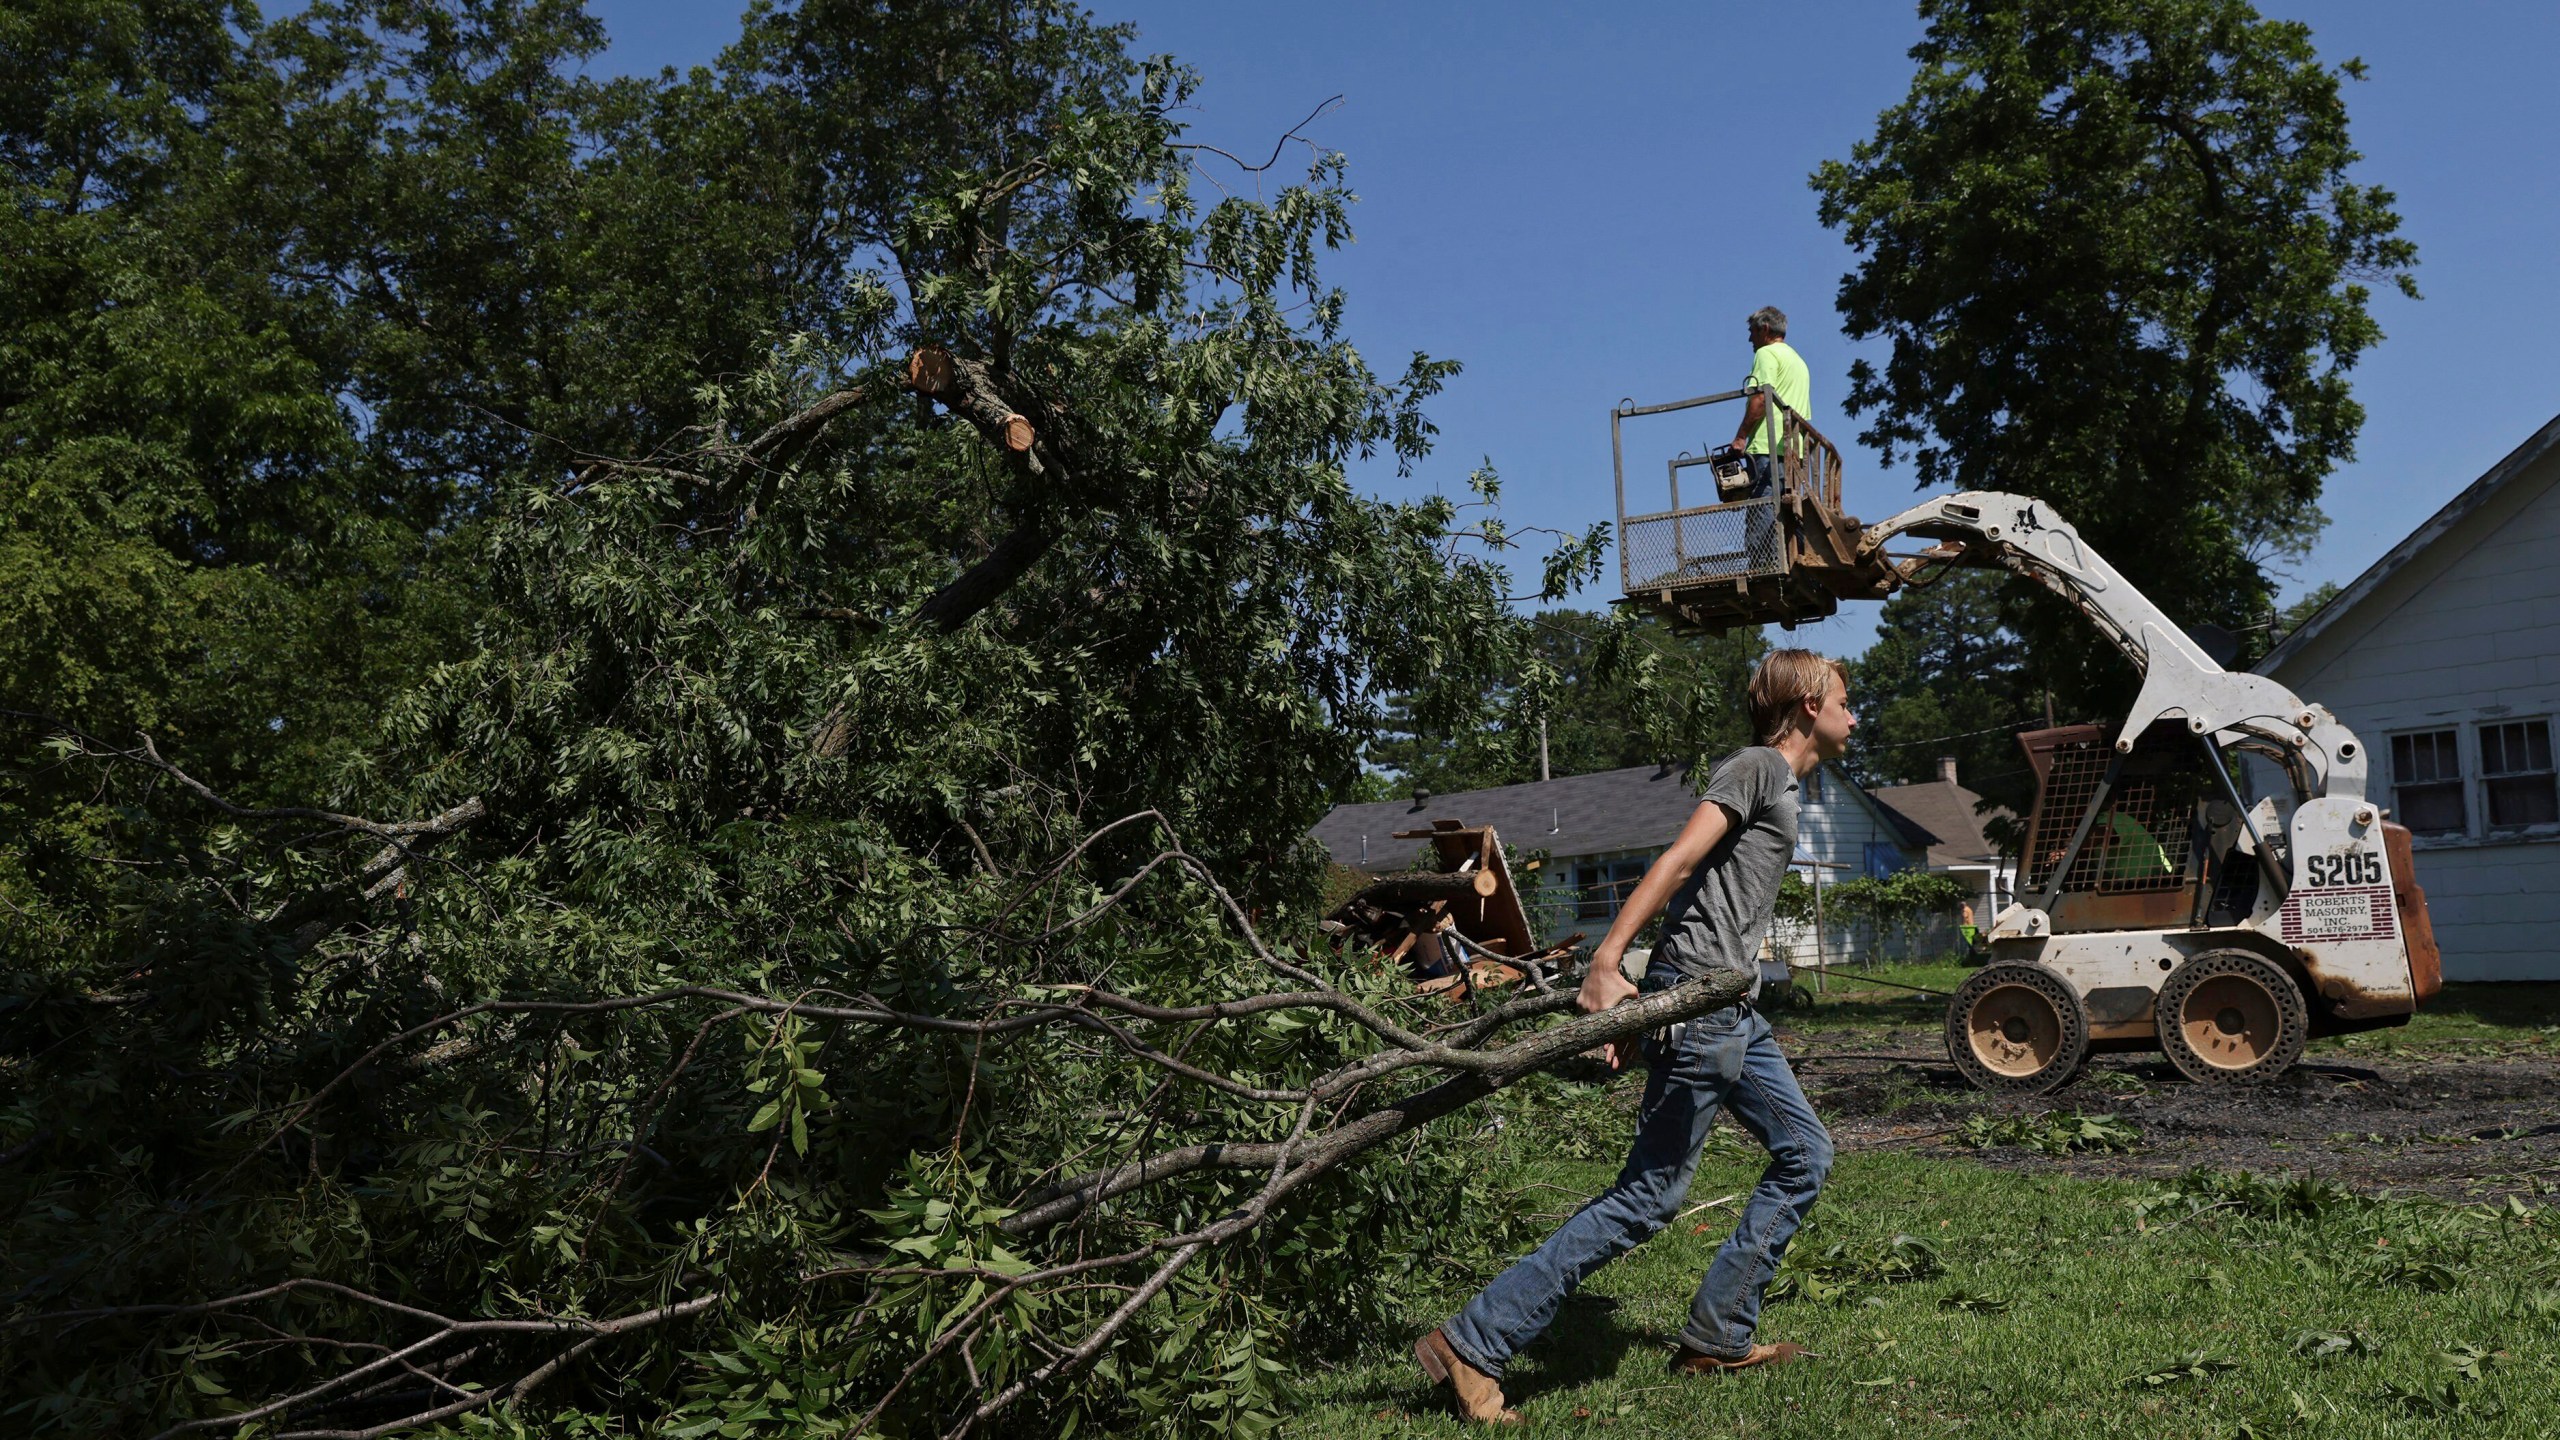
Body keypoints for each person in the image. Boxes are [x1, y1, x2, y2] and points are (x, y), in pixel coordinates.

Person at [1413, 651, 1854, 1424]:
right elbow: (1677, 861)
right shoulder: (1754, 766)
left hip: (1728, 1005)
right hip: (1701, 1000)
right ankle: (1472, 1343)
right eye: (1848, 700)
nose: (1857, 715)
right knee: (1648, 1198)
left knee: (1805, 1152)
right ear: (1810, 704)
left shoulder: (1780, 784)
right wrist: (1608, 965)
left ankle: (1719, 1335)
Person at [1717, 306, 1809, 569]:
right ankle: (1794, 562)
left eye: (1751, 332)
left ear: (1764, 329)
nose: (1750, 339)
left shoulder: (1766, 354)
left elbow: (1759, 398)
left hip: (1770, 445)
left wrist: (1740, 437)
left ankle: (1763, 568)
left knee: (1762, 507)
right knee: (1787, 510)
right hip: (1794, 449)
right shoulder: (1797, 361)